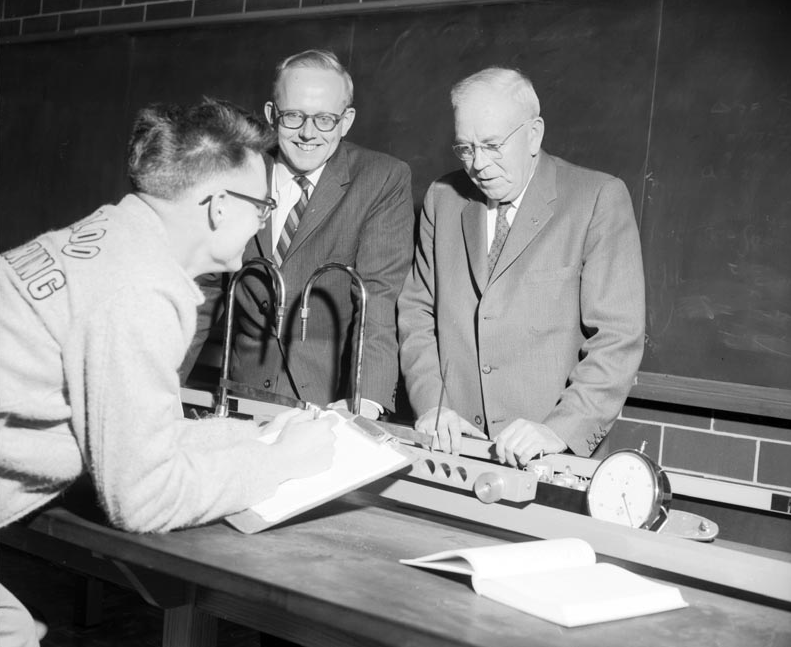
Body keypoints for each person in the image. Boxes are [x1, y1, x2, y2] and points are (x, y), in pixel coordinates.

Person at [0, 99, 336, 645]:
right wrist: (282, 463)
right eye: (264, 204)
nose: (264, 220)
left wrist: (254, 439)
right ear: (219, 206)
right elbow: (144, 497)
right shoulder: (140, 289)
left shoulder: (113, 238)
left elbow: (131, 429)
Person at [397, 67, 645, 465]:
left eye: (493, 145)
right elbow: (416, 312)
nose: (477, 164)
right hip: (454, 448)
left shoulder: (598, 199)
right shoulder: (442, 199)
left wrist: (558, 430)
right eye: (465, 148)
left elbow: (617, 338)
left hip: (550, 457)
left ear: (533, 134)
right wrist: (431, 403)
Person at [181, 50, 414, 420]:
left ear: (346, 121)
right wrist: (160, 383)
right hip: (239, 395)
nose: (308, 133)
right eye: (294, 117)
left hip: (326, 406)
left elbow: (378, 298)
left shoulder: (381, 179)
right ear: (272, 114)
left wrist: (365, 400)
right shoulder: (238, 168)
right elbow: (202, 291)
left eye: (325, 119)